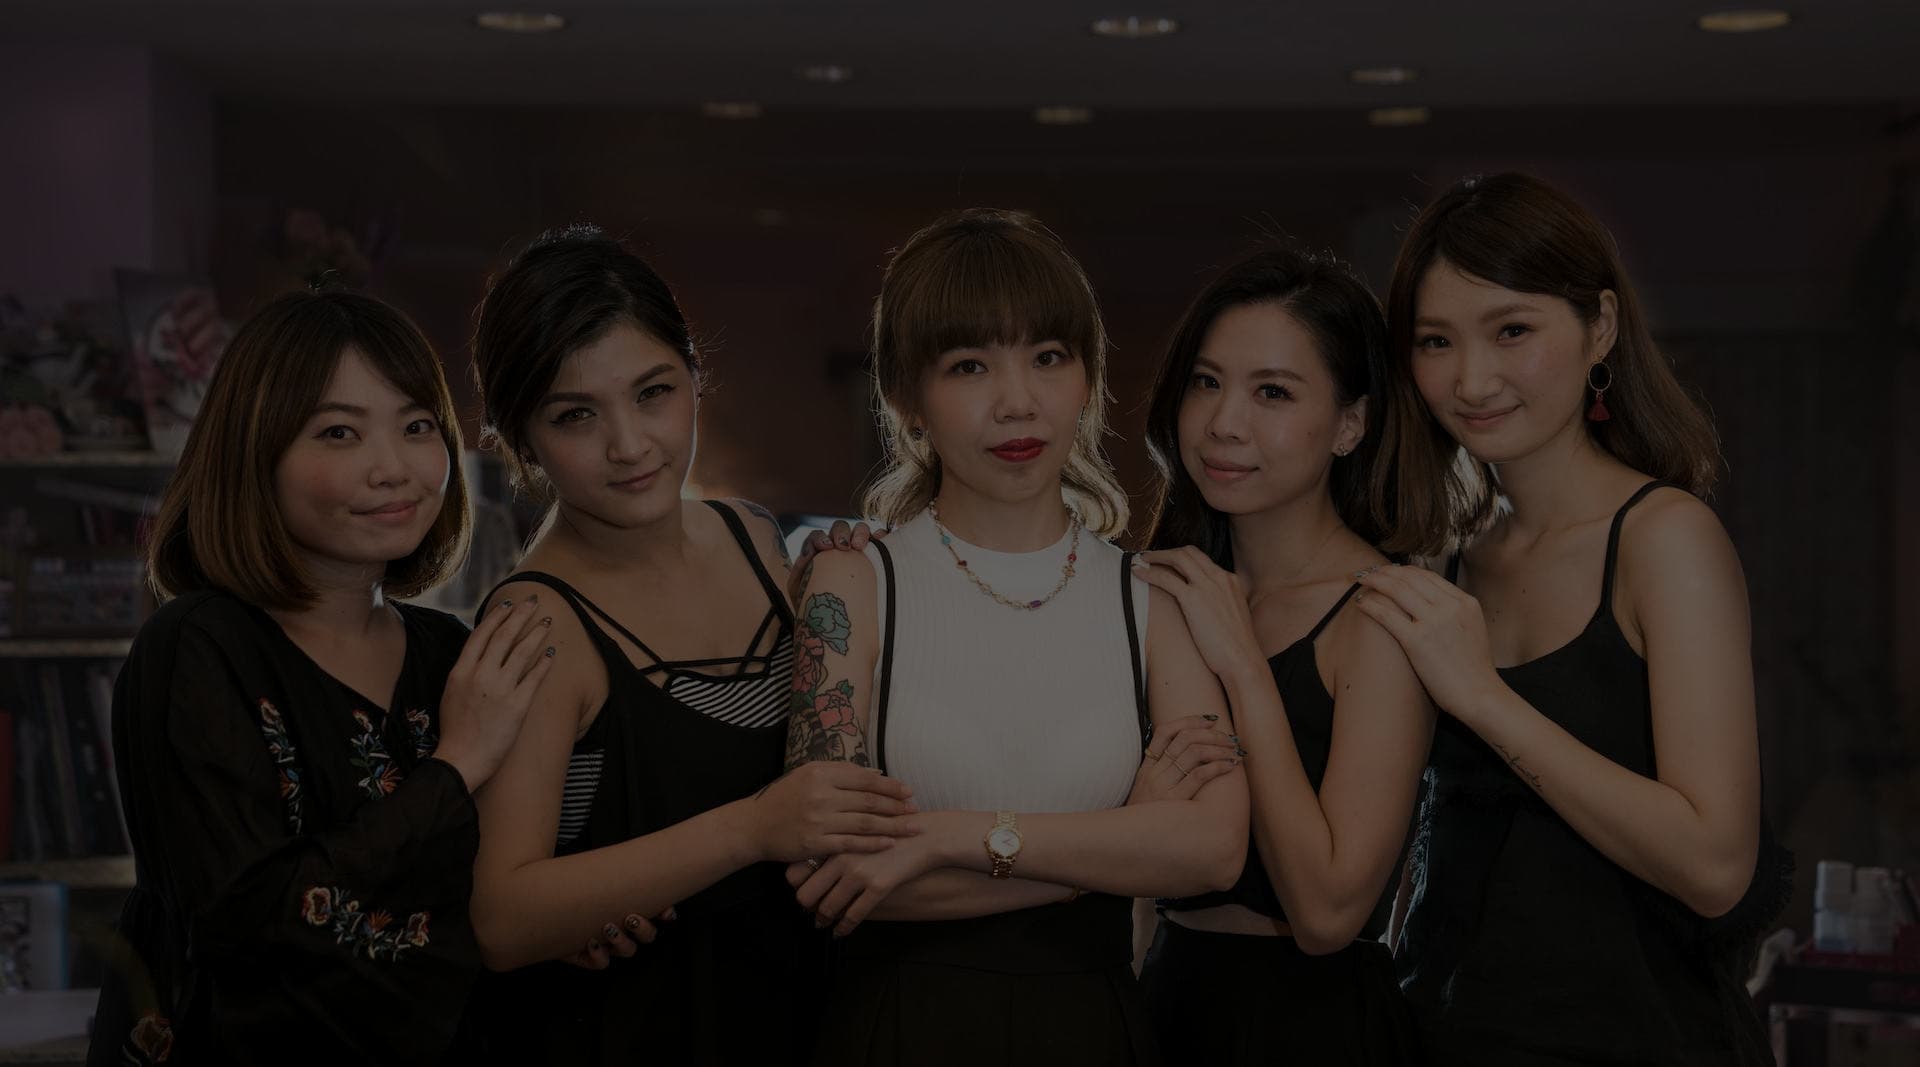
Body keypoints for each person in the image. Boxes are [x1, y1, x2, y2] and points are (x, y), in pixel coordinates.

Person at [786, 208, 1249, 1066]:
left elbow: (1215, 850)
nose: (1018, 402)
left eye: (1048, 357)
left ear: (1087, 378)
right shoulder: (852, 582)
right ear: (906, 399)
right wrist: (1119, 842)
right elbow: (830, 879)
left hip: (1096, 1029)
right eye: (969, 365)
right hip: (899, 1028)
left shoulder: (1151, 596)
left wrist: (947, 839)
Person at [460, 225, 919, 1064]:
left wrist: (840, 607)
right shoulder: (536, 624)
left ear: (695, 377)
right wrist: (752, 828)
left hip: (799, 1012)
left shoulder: (751, 533)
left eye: (653, 392)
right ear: (521, 439)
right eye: (575, 415)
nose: (630, 444)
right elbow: (503, 919)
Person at [1362, 172, 1789, 1065]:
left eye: (1512, 331)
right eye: (1435, 341)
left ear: (1599, 326)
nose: (1471, 379)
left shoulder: (1663, 539)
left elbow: (1716, 867)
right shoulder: (1446, 558)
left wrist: (1484, 698)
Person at [89, 289, 553, 1065]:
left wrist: (574, 923)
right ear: (255, 453)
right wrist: (456, 764)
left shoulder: (450, 653)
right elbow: (247, 923)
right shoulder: (197, 647)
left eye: (417, 426)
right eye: (339, 431)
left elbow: (485, 905)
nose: (393, 468)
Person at [1131, 247, 1432, 1065]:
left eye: (1272, 392)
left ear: (1350, 424)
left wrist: (1245, 667)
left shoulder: (1383, 614)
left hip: (1310, 1024)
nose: (1225, 422)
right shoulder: (1166, 586)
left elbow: (1329, 911)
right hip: (1161, 1001)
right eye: (1206, 382)